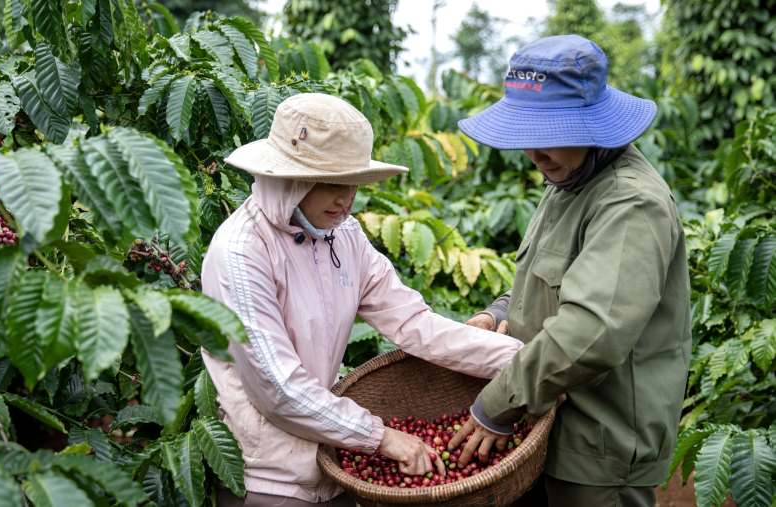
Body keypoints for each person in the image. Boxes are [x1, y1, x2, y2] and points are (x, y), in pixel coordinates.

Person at [201, 92, 524, 506]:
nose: (347, 199)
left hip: (331, 462)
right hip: (269, 479)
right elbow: (278, 389)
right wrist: (382, 437)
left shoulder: (342, 234)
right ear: (292, 178)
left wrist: (524, 364)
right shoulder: (244, 252)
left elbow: (414, 324)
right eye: (334, 184)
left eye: (354, 183)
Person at [448, 35, 692, 507]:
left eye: (548, 135)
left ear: (591, 127)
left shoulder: (630, 201)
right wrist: (498, 313)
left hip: (601, 443)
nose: (534, 154)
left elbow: (593, 328)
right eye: (527, 138)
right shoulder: (567, 178)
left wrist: (495, 406)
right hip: (552, 425)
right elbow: (546, 280)